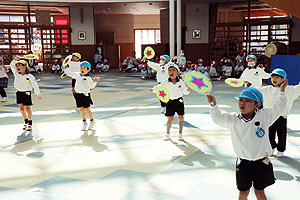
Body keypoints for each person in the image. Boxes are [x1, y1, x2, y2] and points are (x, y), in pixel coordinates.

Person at [207, 81, 288, 200]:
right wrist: (213, 105)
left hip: (262, 162)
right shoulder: (233, 119)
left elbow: (278, 108)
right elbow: (218, 118)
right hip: (243, 164)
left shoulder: (264, 116)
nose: (242, 103)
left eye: (247, 101)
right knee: (243, 192)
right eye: (240, 100)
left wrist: (281, 91)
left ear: (257, 105)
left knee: (259, 191)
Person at [256, 68, 300, 157]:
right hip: (269, 115)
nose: (274, 79)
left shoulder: (289, 89)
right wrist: (249, 85)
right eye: (272, 77)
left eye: (277, 77)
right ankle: (271, 147)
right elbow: (257, 90)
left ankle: (281, 149)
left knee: (281, 134)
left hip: (281, 116)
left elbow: (298, 89)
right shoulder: (268, 89)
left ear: (283, 79)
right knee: (269, 133)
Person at [150, 62, 192, 141]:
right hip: (169, 102)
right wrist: (153, 90)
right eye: (169, 70)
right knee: (170, 118)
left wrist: (188, 90)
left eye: (173, 70)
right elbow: (159, 87)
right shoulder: (165, 82)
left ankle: (180, 133)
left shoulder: (181, 82)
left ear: (177, 72)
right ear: (167, 72)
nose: (171, 72)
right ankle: (167, 133)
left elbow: (185, 92)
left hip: (179, 101)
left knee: (181, 117)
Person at [63, 61, 100, 131]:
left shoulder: (88, 78)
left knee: (87, 108)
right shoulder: (77, 75)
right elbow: (70, 74)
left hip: (85, 95)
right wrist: (65, 69)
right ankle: (84, 122)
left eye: (84, 68)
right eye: (81, 68)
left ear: (88, 70)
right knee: (81, 109)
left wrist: (94, 81)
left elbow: (91, 86)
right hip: (78, 95)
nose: (82, 69)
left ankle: (92, 121)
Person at [10, 56, 42, 131]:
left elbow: (35, 85)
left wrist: (38, 93)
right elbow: (12, 65)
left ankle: (30, 123)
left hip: (26, 93)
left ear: (24, 67)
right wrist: (15, 59)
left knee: (27, 108)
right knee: (21, 109)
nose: (17, 67)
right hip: (19, 93)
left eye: (19, 65)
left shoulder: (30, 76)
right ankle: (26, 121)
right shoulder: (16, 74)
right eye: (17, 65)